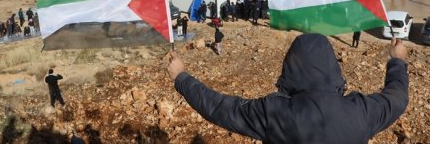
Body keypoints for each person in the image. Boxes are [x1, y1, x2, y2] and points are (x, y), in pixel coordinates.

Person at [166, 34, 408, 143]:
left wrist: (181, 77)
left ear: (290, 68)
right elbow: (396, 98)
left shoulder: (275, 112)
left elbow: (219, 108)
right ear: (333, 68)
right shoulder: (361, 112)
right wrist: (397, 61)